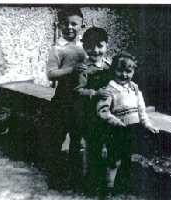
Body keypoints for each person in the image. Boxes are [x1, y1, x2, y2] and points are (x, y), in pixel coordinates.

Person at [96, 52, 159, 198]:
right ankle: (108, 189)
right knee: (114, 161)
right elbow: (102, 110)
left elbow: (141, 110)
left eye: (128, 71)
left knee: (127, 159)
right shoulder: (109, 90)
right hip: (116, 131)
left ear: (133, 72)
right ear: (113, 71)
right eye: (120, 71)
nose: (124, 75)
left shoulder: (135, 89)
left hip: (132, 130)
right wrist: (114, 121)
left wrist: (148, 125)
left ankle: (123, 187)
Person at [46, 6, 86, 190]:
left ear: (82, 26)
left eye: (74, 24)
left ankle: (76, 179)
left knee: (78, 141)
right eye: (66, 23)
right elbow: (51, 74)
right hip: (62, 100)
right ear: (60, 25)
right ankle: (55, 180)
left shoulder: (84, 48)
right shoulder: (57, 48)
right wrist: (71, 70)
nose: (70, 27)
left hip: (80, 101)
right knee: (56, 139)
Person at [73, 27, 113, 193]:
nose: (96, 50)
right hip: (91, 114)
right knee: (92, 146)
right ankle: (89, 179)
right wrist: (95, 93)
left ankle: (108, 180)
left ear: (107, 46)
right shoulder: (84, 68)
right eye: (90, 46)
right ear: (84, 47)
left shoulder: (110, 65)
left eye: (100, 45)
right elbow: (78, 90)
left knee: (109, 145)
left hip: (108, 112)